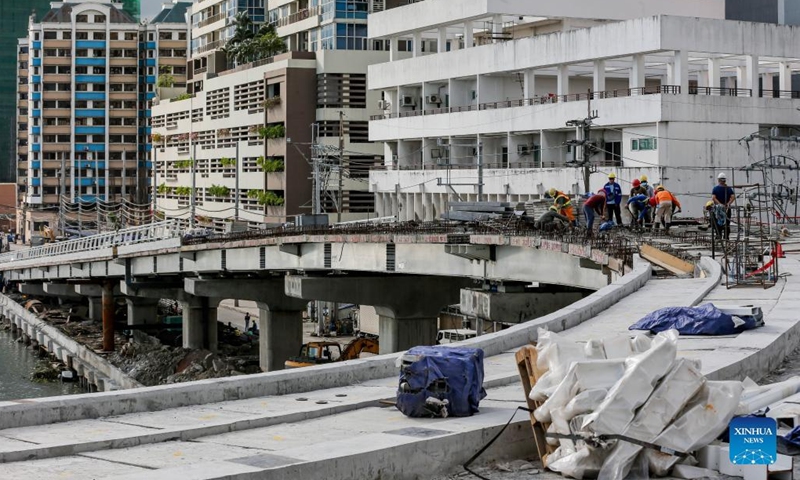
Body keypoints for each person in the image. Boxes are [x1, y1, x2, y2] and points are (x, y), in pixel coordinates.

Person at [712, 172, 735, 240]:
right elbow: (733, 197)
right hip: (727, 208)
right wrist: (728, 203)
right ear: (724, 180)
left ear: (718, 180)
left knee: (718, 222)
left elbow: (713, 198)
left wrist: (720, 204)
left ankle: (718, 236)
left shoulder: (715, 189)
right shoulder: (729, 189)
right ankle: (726, 237)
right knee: (727, 223)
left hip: (718, 209)